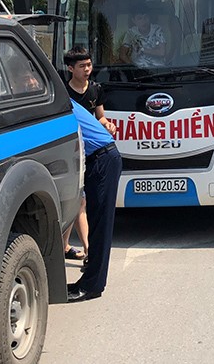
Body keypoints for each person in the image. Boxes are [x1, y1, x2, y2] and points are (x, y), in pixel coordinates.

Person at [61, 47, 118, 263]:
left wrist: (108, 125)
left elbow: (100, 118)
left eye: (89, 65)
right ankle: (85, 249)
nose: (87, 70)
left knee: (79, 202)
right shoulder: (63, 93)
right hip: (72, 152)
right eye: (82, 66)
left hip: (93, 153)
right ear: (70, 68)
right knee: (77, 201)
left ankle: (80, 249)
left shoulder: (96, 90)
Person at [67, 100, 122, 302]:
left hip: (103, 159)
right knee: (97, 223)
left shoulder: (58, 101)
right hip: (98, 159)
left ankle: (92, 286)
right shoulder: (61, 98)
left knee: (100, 227)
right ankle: (89, 282)